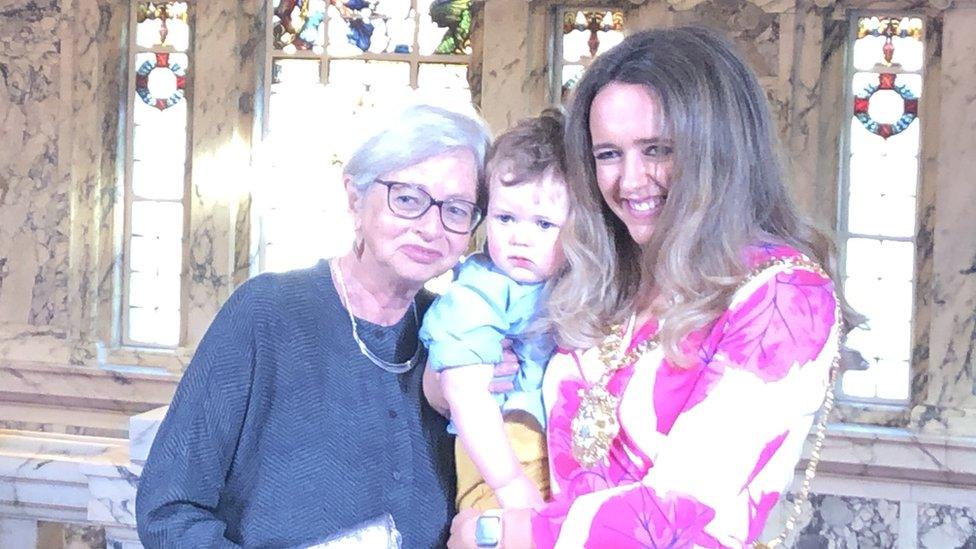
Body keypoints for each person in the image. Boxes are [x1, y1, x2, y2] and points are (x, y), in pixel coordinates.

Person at [447, 26, 858, 548]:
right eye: (608, 154)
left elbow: (678, 512)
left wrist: (493, 535)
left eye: (657, 149)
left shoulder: (785, 296)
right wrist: (451, 381)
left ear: (719, 149)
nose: (630, 181)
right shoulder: (605, 268)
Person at [136, 104, 494, 548]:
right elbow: (169, 509)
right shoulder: (267, 312)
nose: (430, 227)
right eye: (407, 199)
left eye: (456, 210)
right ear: (355, 197)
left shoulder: (465, 341)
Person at [420, 110, 569, 512]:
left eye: (543, 224)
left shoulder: (563, 282)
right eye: (505, 218)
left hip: (557, 450)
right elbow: (465, 393)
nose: (519, 238)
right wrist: (509, 484)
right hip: (501, 446)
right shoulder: (478, 293)